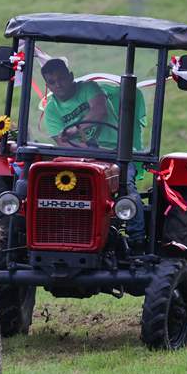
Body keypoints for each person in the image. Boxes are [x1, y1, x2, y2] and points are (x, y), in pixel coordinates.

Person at [41, 59, 146, 251]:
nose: (59, 85)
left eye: (61, 79)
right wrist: (88, 150)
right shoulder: (51, 110)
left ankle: (137, 237)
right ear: (47, 85)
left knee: (126, 185)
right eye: (52, 82)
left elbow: (99, 111)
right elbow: (63, 143)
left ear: (70, 76)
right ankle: (66, 235)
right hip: (83, 157)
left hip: (115, 153)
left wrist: (75, 130)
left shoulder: (89, 88)